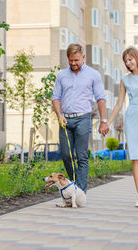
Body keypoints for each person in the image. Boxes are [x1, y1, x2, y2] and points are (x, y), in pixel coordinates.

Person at [101, 47, 138, 207]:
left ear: (137, 57)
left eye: (130, 59)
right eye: (126, 61)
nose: (128, 63)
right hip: (132, 117)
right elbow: (120, 103)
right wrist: (107, 122)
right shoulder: (125, 80)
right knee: (136, 157)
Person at [52, 43, 108, 193]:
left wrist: (103, 121)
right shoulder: (62, 75)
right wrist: (59, 116)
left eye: (76, 60)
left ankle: (80, 192)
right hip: (65, 119)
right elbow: (56, 98)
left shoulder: (93, 75)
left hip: (83, 118)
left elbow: (101, 98)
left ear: (83, 57)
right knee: (65, 155)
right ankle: (74, 185)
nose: (73, 63)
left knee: (82, 156)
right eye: (71, 60)